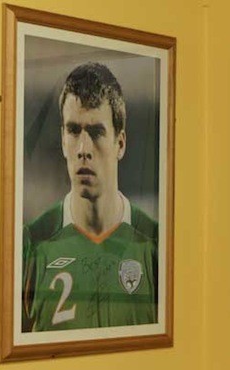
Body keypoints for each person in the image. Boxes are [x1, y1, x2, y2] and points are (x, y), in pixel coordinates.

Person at [22, 62, 158, 332]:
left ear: (120, 143)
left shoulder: (155, 243)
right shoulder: (32, 243)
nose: (83, 149)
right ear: (62, 140)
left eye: (96, 132)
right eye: (73, 131)